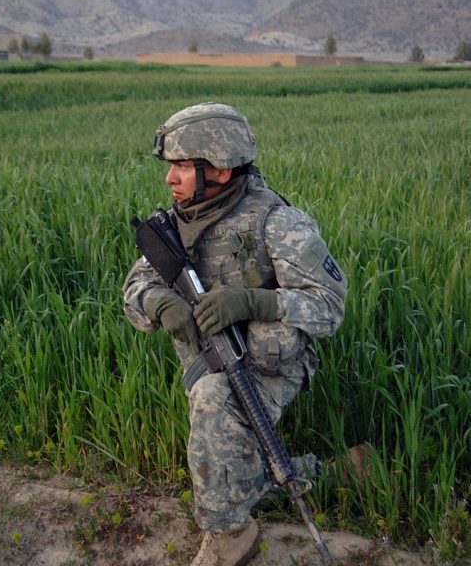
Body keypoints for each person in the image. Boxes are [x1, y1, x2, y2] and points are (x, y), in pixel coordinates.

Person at [123, 102, 347, 566]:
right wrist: (159, 303)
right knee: (219, 411)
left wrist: (256, 302)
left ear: (220, 170)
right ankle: (303, 474)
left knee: (214, 400)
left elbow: (329, 307)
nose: (170, 179)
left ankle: (229, 532)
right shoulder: (177, 225)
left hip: (272, 365)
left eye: (183, 166)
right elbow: (135, 286)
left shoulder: (277, 223)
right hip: (211, 358)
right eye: (172, 167)